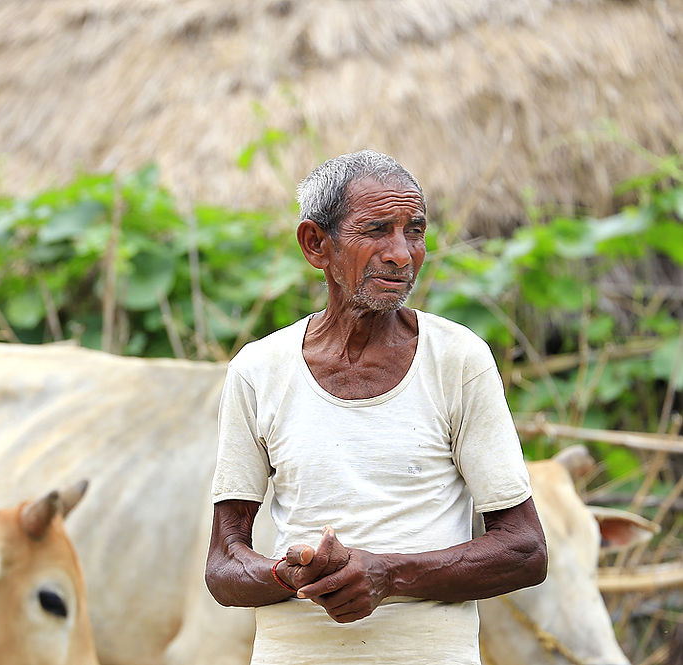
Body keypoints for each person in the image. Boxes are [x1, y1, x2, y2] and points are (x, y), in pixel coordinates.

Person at [204, 150, 547, 664]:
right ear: (316, 245)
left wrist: (390, 574)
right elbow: (223, 568)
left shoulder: (458, 360)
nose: (402, 254)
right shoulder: (258, 370)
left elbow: (525, 550)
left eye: (415, 231)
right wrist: (288, 574)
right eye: (377, 230)